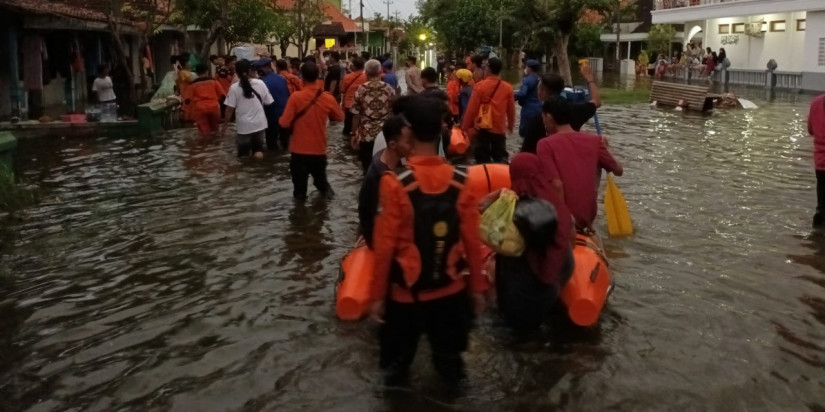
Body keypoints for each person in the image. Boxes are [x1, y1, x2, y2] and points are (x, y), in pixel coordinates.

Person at [369, 95, 486, 385]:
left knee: (395, 373)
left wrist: (376, 297)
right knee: (451, 370)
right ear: (441, 130)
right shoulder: (463, 180)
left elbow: (384, 248)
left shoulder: (394, 183)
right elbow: (473, 241)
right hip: (450, 293)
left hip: (404, 298)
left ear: (407, 132)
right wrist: (477, 289)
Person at [493, 152, 574, 334]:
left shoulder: (518, 211)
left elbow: (490, 229)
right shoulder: (557, 206)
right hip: (558, 277)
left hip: (530, 292)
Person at [537, 98, 623, 233]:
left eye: (543, 117)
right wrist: (606, 147)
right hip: (587, 216)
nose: (543, 122)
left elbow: (557, 185)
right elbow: (618, 170)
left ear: (549, 117)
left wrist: (562, 223)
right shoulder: (595, 140)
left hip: (566, 218)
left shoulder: (545, 144)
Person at [279, 62, 344, 200]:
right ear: (318, 76)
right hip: (318, 150)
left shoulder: (296, 97)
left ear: (302, 77)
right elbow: (340, 117)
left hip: (298, 151)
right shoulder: (327, 98)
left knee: (299, 191)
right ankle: (326, 214)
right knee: (322, 185)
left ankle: (300, 218)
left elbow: (284, 123)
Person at [520, 63, 602, 154]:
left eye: (538, 88)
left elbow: (525, 153)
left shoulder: (538, 118)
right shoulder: (576, 109)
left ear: (542, 92)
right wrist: (590, 78)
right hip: (570, 156)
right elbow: (597, 101)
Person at [357, 115, 408, 248]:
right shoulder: (381, 176)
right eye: (408, 142)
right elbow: (369, 214)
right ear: (392, 144)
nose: (412, 146)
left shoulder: (381, 156)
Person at [461, 57, 515, 163]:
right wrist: (511, 125)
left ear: (488, 69)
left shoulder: (480, 86)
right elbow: (511, 109)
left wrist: (465, 126)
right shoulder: (507, 87)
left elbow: (472, 109)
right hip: (499, 127)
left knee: (482, 159)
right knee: (500, 158)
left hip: (482, 127)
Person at [221, 59, 274, 159]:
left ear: (237, 73)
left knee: (243, 155)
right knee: (258, 151)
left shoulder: (234, 88)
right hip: (259, 124)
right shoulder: (260, 83)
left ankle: (246, 172)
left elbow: (229, 109)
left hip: (244, 127)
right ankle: (257, 171)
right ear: (250, 70)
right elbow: (269, 102)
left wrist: (225, 125)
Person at [351, 59, 397, 173]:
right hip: (385, 134)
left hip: (366, 134)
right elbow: (395, 110)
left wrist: (353, 134)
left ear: (365, 73)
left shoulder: (361, 89)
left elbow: (356, 114)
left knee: (367, 168)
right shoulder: (389, 88)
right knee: (385, 168)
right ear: (380, 71)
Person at [255, 57, 290, 151]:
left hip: (270, 115)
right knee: (285, 142)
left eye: (260, 69)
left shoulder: (261, 82)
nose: (259, 71)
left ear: (266, 67)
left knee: (271, 143)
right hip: (284, 114)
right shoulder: (282, 79)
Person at [183, 63, 225, 137]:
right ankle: (216, 146)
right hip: (214, 107)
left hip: (200, 109)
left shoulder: (193, 85)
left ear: (197, 73)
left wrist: (186, 112)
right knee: (215, 130)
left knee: (204, 132)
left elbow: (187, 100)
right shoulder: (214, 82)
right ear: (207, 71)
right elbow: (222, 95)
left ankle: (205, 147)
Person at [515, 59, 543, 138]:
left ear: (529, 68)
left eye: (526, 66)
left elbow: (522, 93)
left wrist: (510, 97)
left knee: (524, 132)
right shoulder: (540, 78)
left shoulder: (527, 80)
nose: (525, 68)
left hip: (528, 109)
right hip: (540, 107)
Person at [810, 93, 825, 229]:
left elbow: (810, 129)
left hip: (821, 163)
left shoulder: (816, 102)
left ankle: (817, 231)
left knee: (822, 202)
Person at [342, 57, 367, 137]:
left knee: (347, 127)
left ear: (354, 66)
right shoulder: (366, 77)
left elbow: (342, 90)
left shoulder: (347, 77)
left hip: (348, 104)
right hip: (361, 104)